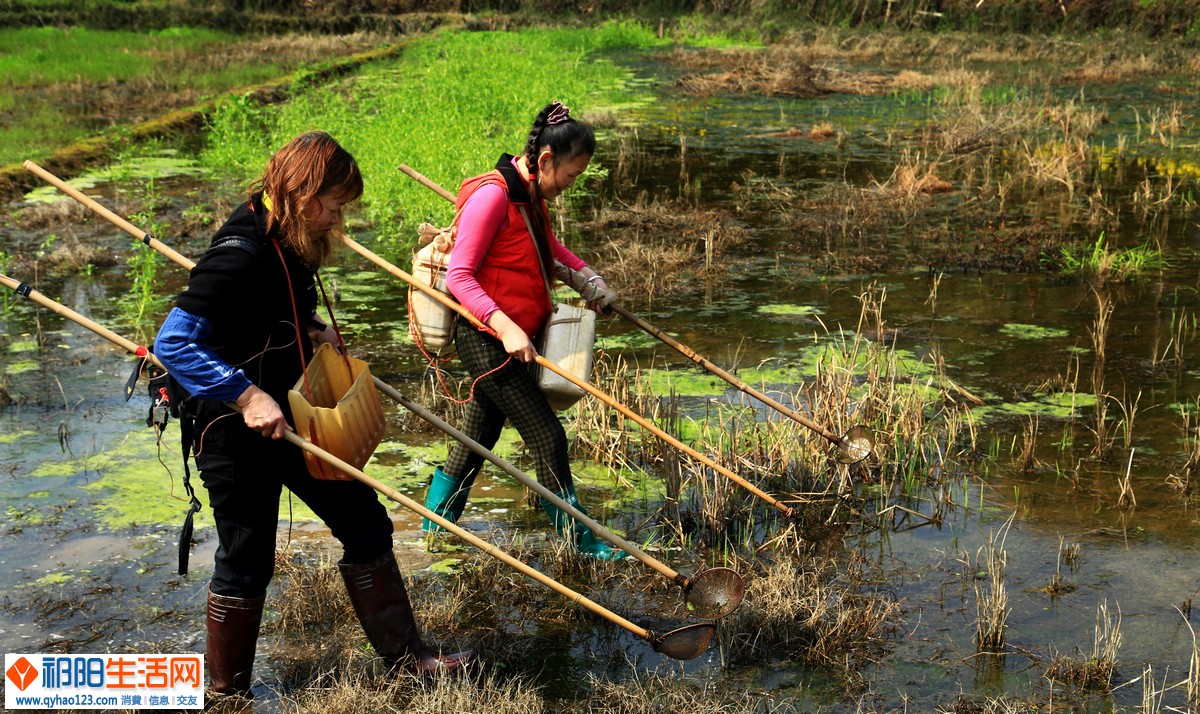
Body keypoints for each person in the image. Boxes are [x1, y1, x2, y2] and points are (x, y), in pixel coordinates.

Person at [153, 131, 471, 698]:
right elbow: (174, 344)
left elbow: (266, 312)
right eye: (332, 204)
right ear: (301, 195)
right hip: (233, 428)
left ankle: (409, 657)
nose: (336, 218)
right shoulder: (240, 253)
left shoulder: (286, 236)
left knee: (365, 522)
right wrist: (248, 397)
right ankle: (228, 693)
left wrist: (310, 329)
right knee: (247, 559)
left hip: (296, 413)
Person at [421, 102, 624, 560]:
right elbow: (460, 277)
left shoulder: (528, 194)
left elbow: (547, 249)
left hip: (514, 336)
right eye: (571, 175)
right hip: (485, 338)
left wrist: (589, 280)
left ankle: (435, 526)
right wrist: (507, 327)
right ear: (546, 160)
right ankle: (580, 541)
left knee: (478, 436)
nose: (571, 185)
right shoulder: (494, 197)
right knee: (548, 435)